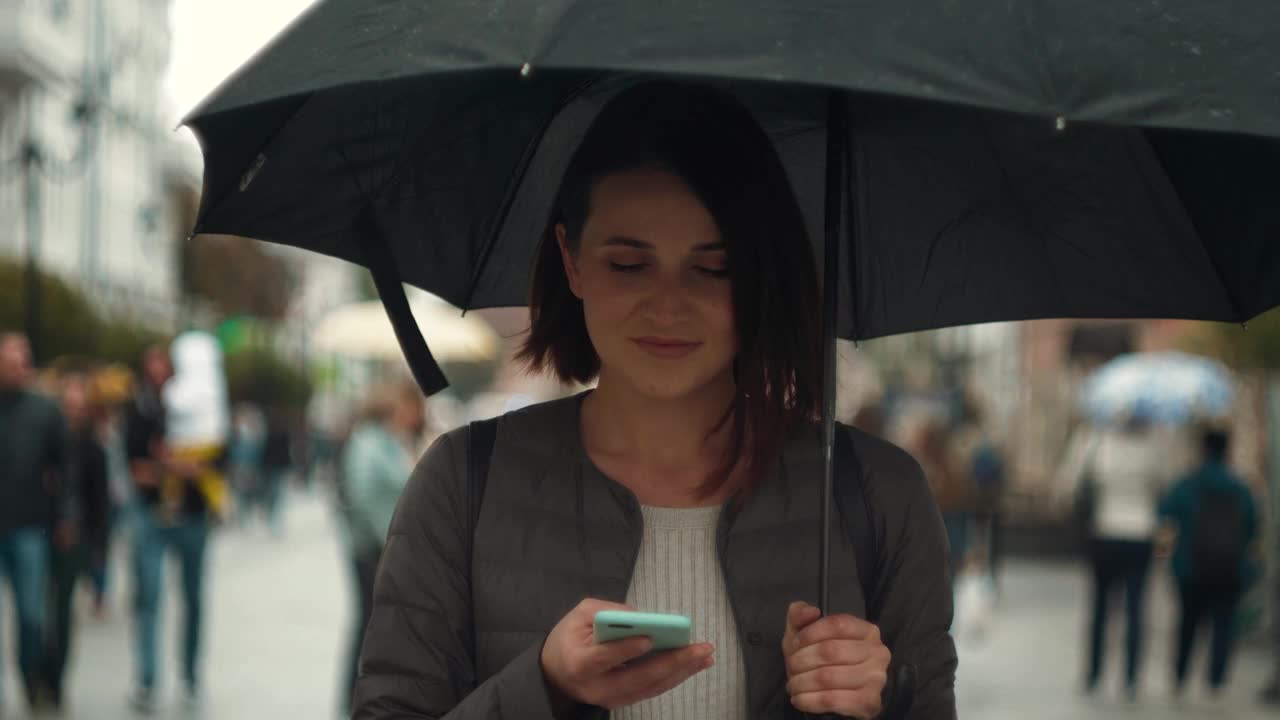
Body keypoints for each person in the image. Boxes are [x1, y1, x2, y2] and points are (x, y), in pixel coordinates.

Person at [353, 82, 957, 719]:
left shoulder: (879, 497)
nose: (668, 305)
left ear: (758, 273)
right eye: (628, 264)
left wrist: (885, 701)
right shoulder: (461, 486)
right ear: (572, 259)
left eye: (713, 267)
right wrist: (543, 687)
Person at [126, 334, 229, 713]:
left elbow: (217, 459)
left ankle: (189, 676)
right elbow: (137, 470)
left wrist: (178, 465)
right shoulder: (139, 412)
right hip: (152, 517)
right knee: (150, 597)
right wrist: (176, 467)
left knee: (193, 598)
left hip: (191, 516)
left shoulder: (198, 405)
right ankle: (147, 678)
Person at [1064, 414, 1170, 699]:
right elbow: (1163, 487)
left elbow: (1073, 483)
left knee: (1100, 608)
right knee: (1135, 608)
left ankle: (1094, 673)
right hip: (1140, 533)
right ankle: (1131, 678)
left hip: (1105, 531)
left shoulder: (1097, 442)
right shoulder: (1154, 445)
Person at [338, 381, 427, 713]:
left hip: (383, 546)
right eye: (409, 407)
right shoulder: (369, 442)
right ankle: (354, 696)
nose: (414, 415)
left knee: (374, 622)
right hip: (372, 548)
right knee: (368, 622)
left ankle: (364, 694)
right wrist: (388, 539)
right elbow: (363, 494)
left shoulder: (388, 442)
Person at [0, 333, 75, 713]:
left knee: (32, 614)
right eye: (11, 360)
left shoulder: (45, 410)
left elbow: (64, 467)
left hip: (30, 525)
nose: (19, 366)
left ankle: (31, 679)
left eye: (23, 359)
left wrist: (64, 516)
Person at [1159, 428, 1258, 698]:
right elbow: (1251, 525)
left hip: (1191, 568)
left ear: (1203, 449)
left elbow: (1165, 510)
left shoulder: (1189, 482)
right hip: (1229, 568)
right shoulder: (1240, 486)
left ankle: (1180, 675)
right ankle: (1216, 680)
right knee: (1223, 625)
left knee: (1188, 623)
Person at [41, 372, 110, 711]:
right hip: (38, 531)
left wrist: (99, 552)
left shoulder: (93, 447)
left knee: (61, 611)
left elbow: (100, 503)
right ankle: (40, 672)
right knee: (37, 609)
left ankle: (56, 678)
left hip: (75, 537)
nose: (73, 411)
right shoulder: (45, 439)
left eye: (78, 405)